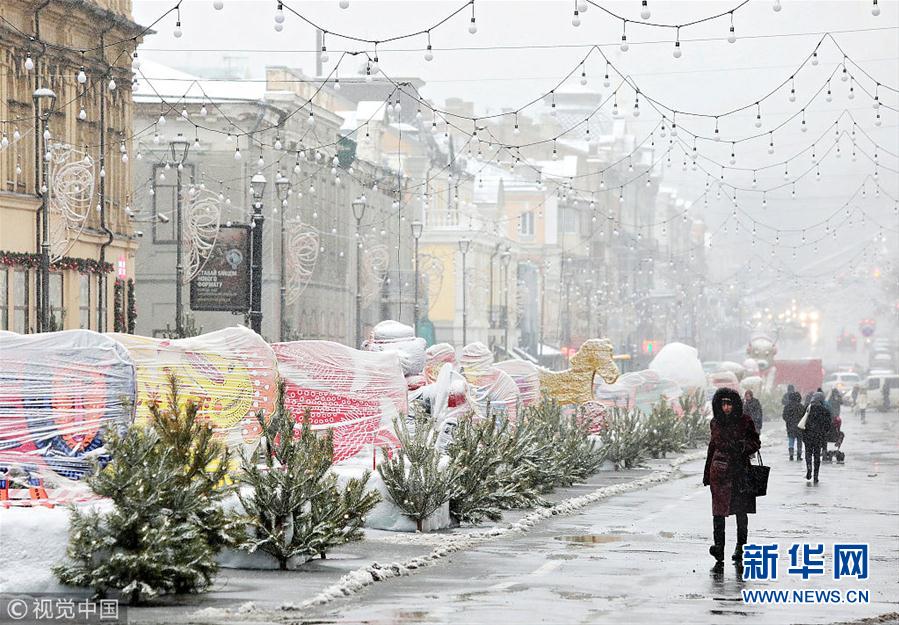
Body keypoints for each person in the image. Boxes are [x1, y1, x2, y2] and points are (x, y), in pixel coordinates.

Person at [703, 388, 761, 564]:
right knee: (718, 512)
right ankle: (719, 548)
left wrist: (742, 447)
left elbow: (755, 442)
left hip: (739, 472)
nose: (726, 408)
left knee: (740, 512)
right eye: (723, 404)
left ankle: (741, 547)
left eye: (729, 404)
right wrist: (707, 473)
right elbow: (712, 448)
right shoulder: (715, 423)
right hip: (719, 473)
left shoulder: (745, 421)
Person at [803, 392, 832, 484]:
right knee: (816, 455)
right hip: (818, 436)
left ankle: (808, 467)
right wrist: (824, 433)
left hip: (808, 435)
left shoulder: (807, 409)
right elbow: (828, 425)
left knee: (808, 453)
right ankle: (816, 476)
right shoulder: (825, 411)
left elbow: (802, 422)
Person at [782, 391, 805, 461]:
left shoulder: (787, 406)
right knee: (799, 441)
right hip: (799, 426)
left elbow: (784, 416)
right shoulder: (801, 406)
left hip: (790, 426)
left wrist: (789, 421)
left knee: (791, 440)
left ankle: (791, 455)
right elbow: (804, 416)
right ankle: (799, 455)